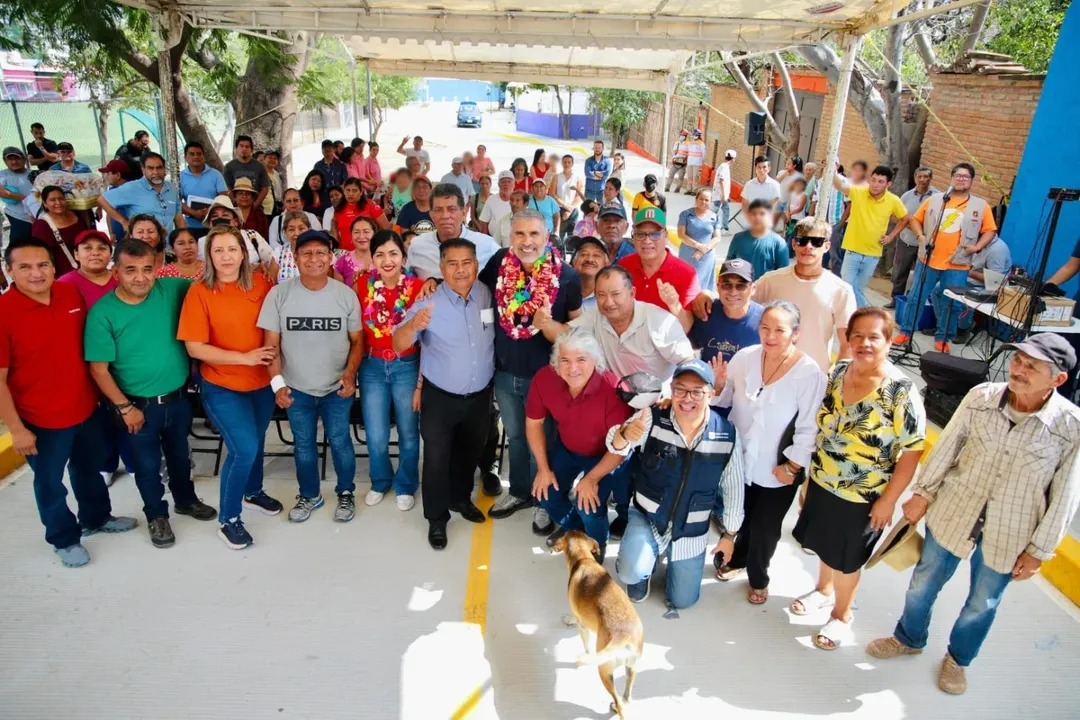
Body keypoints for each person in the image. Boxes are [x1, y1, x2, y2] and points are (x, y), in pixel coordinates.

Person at [867, 333, 1080, 695]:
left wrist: (1039, 551)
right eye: (1018, 360)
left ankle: (958, 659)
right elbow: (948, 447)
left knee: (982, 603)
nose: (1019, 370)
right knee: (923, 582)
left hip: (1011, 530)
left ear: (1058, 379)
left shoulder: (1071, 426)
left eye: (1032, 366)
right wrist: (922, 494)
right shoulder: (981, 397)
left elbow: (1065, 495)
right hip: (955, 509)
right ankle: (909, 637)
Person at [790, 307, 926, 650]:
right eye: (858, 336)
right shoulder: (838, 371)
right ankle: (823, 590)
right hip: (822, 480)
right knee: (823, 542)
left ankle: (842, 614)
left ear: (889, 342)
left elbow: (912, 452)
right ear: (848, 340)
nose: (865, 343)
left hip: (863, 496)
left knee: (847, 559)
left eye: (874, 337)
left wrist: (888, 501)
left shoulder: (900, 391)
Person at [0, 237, 138, 567]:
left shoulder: (68, 294)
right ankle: (64, 538)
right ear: (9, 271)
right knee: (50, 484)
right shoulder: (4, 313)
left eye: (43, 265)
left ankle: (96, 518)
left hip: (86, 409)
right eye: (25, 267)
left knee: (88, 469)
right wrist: (17, 429)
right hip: (40, 420)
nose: (36, 273)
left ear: (54, 267)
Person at [85, 238, 218, 549]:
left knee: (180, 456)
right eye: (130, 270)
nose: (140, 277)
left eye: (147, 269)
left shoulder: (172, 290)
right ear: (115, 271)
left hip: (178, 399)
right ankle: (156, 515)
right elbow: (99, 370)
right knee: (147, 467)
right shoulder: (103, 313)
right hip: (137, 407)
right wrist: (123, 407)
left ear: (157, 268)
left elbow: (211, 286)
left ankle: (185, 500)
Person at [713, 302, 826, 603]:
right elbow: (725, 399)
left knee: (765, 527)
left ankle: (758, 576)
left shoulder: (809, 373)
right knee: (740, 514)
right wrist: (718, 385)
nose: (770, 336)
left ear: (795, 334)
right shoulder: (745, 357)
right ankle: (737, 558)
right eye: (765, 328)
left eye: (780, 330)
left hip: (778, 467)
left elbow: (810, 426)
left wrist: (792, 466)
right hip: (739, 459)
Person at [570, 265, 696, 537]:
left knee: (650, 466)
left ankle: (645, 517)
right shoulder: (595, 318)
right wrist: (543, 322)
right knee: (619, 459)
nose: (609, 302)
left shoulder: (657, 320)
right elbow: (564, 335)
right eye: (601, 295)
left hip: (658, 405)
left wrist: (675, 394)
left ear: (632, 293)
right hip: (618, 402)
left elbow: (688, 361)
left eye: (616, 294)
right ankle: (622, 510)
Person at [178, 225, 283, 550]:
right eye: (218, 250)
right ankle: (229, 519)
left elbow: (276, 327)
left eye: (232, 249)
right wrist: (244, 358)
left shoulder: (262, 284)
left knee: (256, 441)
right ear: (209, 255)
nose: (226, 257)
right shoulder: (199, 292)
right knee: (244, 448)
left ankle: (253, 491)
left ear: (243, 253)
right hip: (222, 385)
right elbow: (195, 347)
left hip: (261, 384)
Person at [610, 358, 744, 610]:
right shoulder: (651, 417)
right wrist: (624, 434)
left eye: (697, 392)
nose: (687, 398)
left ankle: (673, 562)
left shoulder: (727, 434)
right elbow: (616, 445)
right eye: (680, 390)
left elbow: (734, 487)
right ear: (671, 390)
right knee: (630, 572)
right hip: (649, 515)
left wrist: (729, 534)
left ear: (711, 394)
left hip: (692, 526)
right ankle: (641, 569)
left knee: (682, 601)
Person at [482, 210, 583, 534]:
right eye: (520, 234)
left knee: (547, 441)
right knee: (515, 437)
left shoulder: (566, 276)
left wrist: (548, 325)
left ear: (547, 236)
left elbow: (578, 332)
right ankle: (519, 491)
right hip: (505, 373)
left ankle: (545, 500)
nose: (527, 242)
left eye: (534, 234)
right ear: (510, 237)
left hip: (547, 380)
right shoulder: (498, 264)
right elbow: (474, 292)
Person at [393, 239, 496, 550]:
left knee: (470, 451)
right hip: (440, 397)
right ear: (441, 268)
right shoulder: (428, 302)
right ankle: (437, 519)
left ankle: (460, 498)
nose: (460, 270)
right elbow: (398, 343)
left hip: (480, 396)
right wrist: (413, 325)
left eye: (466, 262)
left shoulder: (485, 294)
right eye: (452, 263)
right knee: (437, 458)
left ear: (476, 265)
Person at [257, 229, 363, 524]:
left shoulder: (345, 295)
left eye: (320, 253)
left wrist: (350, 375)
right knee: (303, 445)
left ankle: (346, 493)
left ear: (330, 258)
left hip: (336, 388)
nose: (314, 258)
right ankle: (310, 495)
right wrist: (278, 385)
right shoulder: (279, 294)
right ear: (295, 257)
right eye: (306, 253)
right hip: (296, 388)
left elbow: (357, 341)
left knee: (340, 442)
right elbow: (271, 345)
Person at [528, 328, 632, 556]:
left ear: (595, 360)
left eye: (581, 360)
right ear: (556, 362)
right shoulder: (544, 378)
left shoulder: (613, 389)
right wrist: (543, 469)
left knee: (588, 505)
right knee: (545, 494)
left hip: (607, 454)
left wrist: (591, 479)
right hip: (569, 448)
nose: (572, 368)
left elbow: (622, 447)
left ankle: (596, 545)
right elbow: (534, 423)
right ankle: (576, 529)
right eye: (565, 360)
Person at [711, 217, 855, 372]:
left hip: (813, 375)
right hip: (768, 374)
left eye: (816, 242)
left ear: (827, 246)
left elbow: (847, 344)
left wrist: (836, 381)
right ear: (793, 244)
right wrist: (706, 296)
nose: (808, 246)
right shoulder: (771, 280)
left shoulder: (841, 291)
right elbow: (734, 301)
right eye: (802, 241)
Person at [892, 163, 998, 353]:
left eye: (965, 176)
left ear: (972, 181)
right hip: (928, 259)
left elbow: (990, 230)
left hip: (958, 263)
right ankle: (906, 332)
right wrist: (920, 237)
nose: (961, 179)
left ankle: (943, 338)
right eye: (957, 175)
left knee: (951, 303)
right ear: (951, 178)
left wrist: (977, 247)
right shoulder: (935, 200)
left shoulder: (980, 206)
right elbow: (915, 219)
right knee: (916, 297)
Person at [358, 229, 425, 510]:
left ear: (403, 257)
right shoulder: (362, 286)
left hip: (406, 365)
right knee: (376, 433)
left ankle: (406, 484)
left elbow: (428, 338)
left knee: (408, 431)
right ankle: (380, 480)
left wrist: (421, 382)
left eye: (393, 253)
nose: (387, 260)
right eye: (380, 254)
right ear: (372, 258)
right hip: (372, 366)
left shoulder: (418, 287)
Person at [832, 164, 909, 308]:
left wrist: (891, 236)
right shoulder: (859, 192)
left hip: (873, 255)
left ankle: (855, 315)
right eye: (873, 180)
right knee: (848, 287)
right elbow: (841, 186)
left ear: (888, 184)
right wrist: (833, 171)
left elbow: (904, 219)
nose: (875, 184)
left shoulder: (893, 200)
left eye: (880, 181)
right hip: (852, 251)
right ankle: (868, 310)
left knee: (858, 290)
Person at [406, 183, 500, 281]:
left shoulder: (487, 245)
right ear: (431, 215)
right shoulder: (417, 246)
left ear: (464, 212)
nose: (445, 216)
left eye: (451, 209)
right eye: (438, 210)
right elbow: (407, 281)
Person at [619, 206, 701, 311]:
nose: (647, 241)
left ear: (666, 236)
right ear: (633, 237)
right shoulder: (624, 266)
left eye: (655, 234)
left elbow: (690, 320)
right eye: (640, 234)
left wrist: (675, 306)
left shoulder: (687, 274)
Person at [887, 166, 938, 308]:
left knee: (922, 275)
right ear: (915, 178)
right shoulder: (907, 196)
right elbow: (895, 217)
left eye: (926, 176)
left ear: (931, 178)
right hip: (906, 241)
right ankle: (895, 300)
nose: (922, 179)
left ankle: (916, 302)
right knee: (900, 272)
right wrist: (910, 225)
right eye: (919, 176)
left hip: (927, 243)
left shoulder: (938, 197)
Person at [98, 152, 184, 235]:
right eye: (150, 168)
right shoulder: (133, 188)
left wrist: (184, 236)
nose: (156, 172)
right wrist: (123, 222)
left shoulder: (172, 189)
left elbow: (178, 217)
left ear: (164, 169)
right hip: (142, 243)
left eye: (159, 168)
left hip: (167, 243)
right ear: (143, 170)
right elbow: (102, 200)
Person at [196, 195, 274, 269]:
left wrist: (260, 268)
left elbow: (272, 261)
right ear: (210, 224)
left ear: (235, 221)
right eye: (215, 216)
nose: (220, 219)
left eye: (225, 215)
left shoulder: (252, 236)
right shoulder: (203, 243)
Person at [725, 199, 789, 281]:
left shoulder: (779, 243)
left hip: (767, 288)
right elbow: (728, 266)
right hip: (742, 287)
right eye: (754, 214)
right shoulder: (738, 239)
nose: (757, 217)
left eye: (762, 214)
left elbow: (783, 274)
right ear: (748, 216)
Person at [31, 185, 88, 277]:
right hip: (64, 275)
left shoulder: (76, 215)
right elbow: (39, 254)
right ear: (45, 203)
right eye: (52, 200)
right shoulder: (42, 225)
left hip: (88, 268)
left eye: (61, 199)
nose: (58, 203)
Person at [677, 188, 723, 293]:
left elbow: (717, 237)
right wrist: (698, 246)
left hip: (706, 257)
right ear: (696, 199)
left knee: (703, 289)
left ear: (710, 202)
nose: (703, 202)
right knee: (686, 286)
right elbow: (681, 235)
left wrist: (704, 249)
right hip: (688, 256)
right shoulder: (686, 215)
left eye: (707, 200)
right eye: (701, 199)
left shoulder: (715, 217)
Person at [324, 177, 389, 249]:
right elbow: (334, 223)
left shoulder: (371, 205)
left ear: (361, 192)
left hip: (368, 251)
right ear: (344, 191)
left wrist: (376, 244)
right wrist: (336, 243)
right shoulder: (339, 208)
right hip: (346, 252)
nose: (351, 194)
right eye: (348, 190)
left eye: (354, 190)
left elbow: (386, 228)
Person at [178, 141, 228, 233]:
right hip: (190, 226)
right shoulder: (180, 177)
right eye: (192, 154)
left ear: (204, 156)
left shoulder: (216, 174)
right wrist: (194, 213)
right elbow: (177, 202)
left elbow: (224, 197)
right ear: (185, 157)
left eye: (199, 154)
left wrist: (209, 211)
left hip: (214, 226)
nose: (196, 157)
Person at [58, 230, 117, 306]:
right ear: (76, 254)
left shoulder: (122, 279)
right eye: (88, 248)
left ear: (110, 254)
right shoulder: (64, 284)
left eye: (102, 248)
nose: (95, 253)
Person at [223, 135, 271, 210]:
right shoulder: (229, 167)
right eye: (241, 146)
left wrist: (255, 205)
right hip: (235, 209)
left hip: (255, 209)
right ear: (236, 148)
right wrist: (236, 204)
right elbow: (227, 188)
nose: (244, 149)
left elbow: (265, 188)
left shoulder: (260, 166)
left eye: (247, 147)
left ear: (251, 150)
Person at [267, 210, 313, 284]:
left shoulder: (320, 251)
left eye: (301, 229)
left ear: (309, 229)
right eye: (291, 229)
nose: (296, 233)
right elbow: (272, 283)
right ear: (285, 232)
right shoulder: (279, 252)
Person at [0, 146, 35, 243]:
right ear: (5, 161)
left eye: (17, 158)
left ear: (24, 159)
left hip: (38, 217)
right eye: (10, 159)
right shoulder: (3, 175)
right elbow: (1, 191)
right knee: (18, 247)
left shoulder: (33, 174)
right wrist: (27, 199)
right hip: (19, 218)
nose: (14, 162)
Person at [335, 216, 377, 287]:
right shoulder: (342, 262)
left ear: (374, 234)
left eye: (366, 231)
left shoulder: (384, 259)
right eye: (356, 232)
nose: (361, 236)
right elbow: (339, 292)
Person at [553, 155, 584, 239]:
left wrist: (570, 210)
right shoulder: (556, 177)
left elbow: (579, 196)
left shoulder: (577, 178)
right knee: (560, 236)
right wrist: (564, 205)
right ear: (562, 163)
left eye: (569, 162)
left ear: (572, 164)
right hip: (559, 209)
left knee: (572, 237)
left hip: (573, 210)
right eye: (565, 162)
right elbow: (552, 194)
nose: (567, 164)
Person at [572, 237, 608, 310]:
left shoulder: (610, 298)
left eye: (596, 255)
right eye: (584, 254)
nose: (589, 259)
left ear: (606, 264)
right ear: (574, 262)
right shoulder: (562, 290)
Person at [479, 171, 514, 241]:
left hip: (513, 240)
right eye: (503, 182)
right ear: (498, 184)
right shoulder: (491, 199)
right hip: (494, 240)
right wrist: (485, 241)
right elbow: (484, 222)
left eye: (509, 182)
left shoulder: (519, 199)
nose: (506, 184)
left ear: (514, 184)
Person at [712, 149, 736, 232]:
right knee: (721, 209)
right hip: (720, 193)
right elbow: (721, 180)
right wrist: (723, 194)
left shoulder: (723, 166)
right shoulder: (724, 167)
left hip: (720, 193)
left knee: (719, 208)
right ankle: (724, 226)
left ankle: (723, 225)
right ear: (733, 159)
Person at [666, 130, 690, 194]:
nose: (681, 136)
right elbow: (674, 152)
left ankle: (678, 188)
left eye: (683, 135)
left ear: (685, 136)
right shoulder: (677, 143)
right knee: (671, 174)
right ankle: (667, 187)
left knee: (681, 176)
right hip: (676, 161)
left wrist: (686, 159)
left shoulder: (688, 144)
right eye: (681, 135)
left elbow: (689, 153)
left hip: (683, 162)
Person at [683, 129, 706, 194]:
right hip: (690, 162)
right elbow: (687, 150)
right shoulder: (690, 143)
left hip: (697, 162)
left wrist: (702, 161)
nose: (693, 136)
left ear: (698, 136)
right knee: (689, 176)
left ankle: (694, 190)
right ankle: (689, 189)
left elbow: (704, 153)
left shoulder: (701, 144)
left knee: (695, 177)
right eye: (693, 135)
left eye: (695, 135)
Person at [261, 150, 284, 217]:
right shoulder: (261, 174)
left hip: (276, 207)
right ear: (264, 159)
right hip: (265, 209)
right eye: (270, 157)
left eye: (275, 158)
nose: (273, 160)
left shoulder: (276, 174)